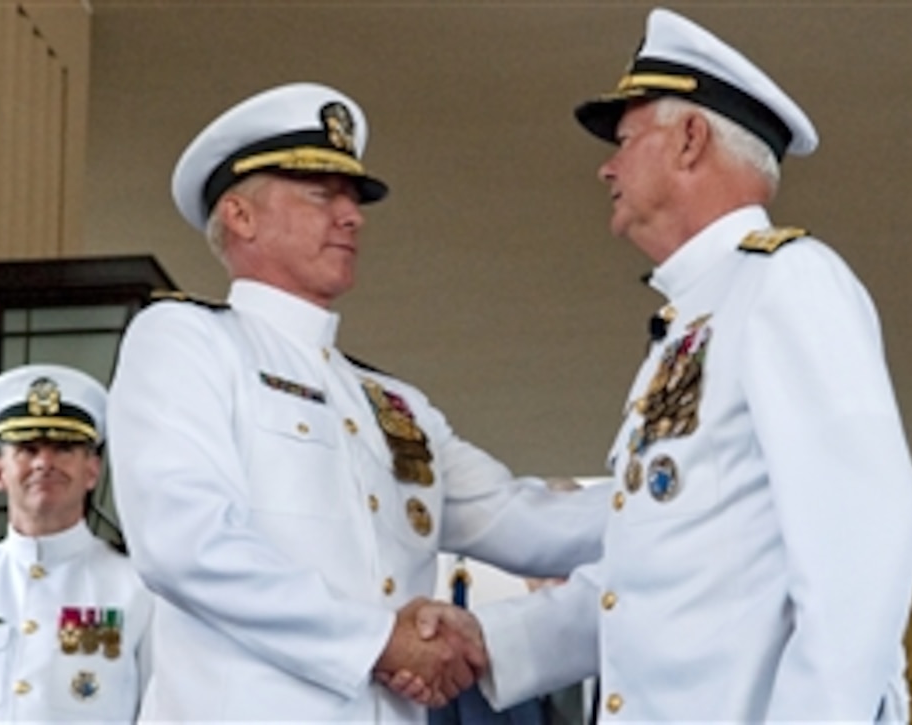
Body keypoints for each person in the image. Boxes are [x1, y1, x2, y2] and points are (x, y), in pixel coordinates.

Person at [407, 7, 912, 721]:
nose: (607, 166)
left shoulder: (788, 283)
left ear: (689, 139)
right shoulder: (693, 322)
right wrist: (487, 638)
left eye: (624, 139)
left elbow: (863, 550)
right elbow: (649, 586)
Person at [105, 82, 608, 722]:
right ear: (240, 215)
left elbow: (519, 518)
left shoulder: (392, 404)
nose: (352, 216)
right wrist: (377, 640)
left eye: (353, 198)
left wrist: (691, 499)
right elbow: (185, 542)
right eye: (322, 196)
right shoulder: (188, 341)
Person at [0, 363, 153, 722]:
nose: (44, 463)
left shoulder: (139, 587)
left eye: (64, 448)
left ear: (92, 471)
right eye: (27, 449)